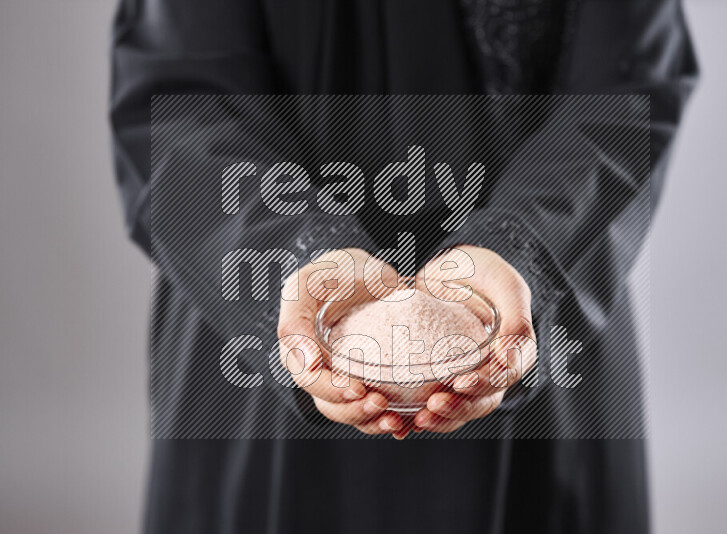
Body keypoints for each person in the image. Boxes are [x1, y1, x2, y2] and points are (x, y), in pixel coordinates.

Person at [110, 1, 697, 532]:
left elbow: (628, 90)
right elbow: (173, 101)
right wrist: (296, 259)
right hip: (257, 344)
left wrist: (523, 253)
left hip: (537, 326)